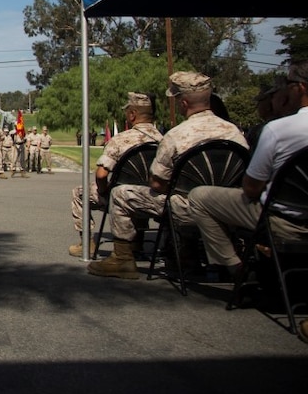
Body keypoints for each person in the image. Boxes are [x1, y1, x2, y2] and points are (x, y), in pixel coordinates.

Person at [88, 71, 248, 280]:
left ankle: (123, 259)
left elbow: (157, 182)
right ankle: (184, 257)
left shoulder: (176, 135)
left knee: (120, 193)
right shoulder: (235, 133)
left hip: (186, 208)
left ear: (183, 103)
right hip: (228, 210)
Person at [188, 62, 308, 280]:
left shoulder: (278, 130)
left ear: (300, 88)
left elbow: (252, 188)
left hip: (285, 220)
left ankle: (237, 269)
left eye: (288, 84)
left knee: (199, 197)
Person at [68, 92, 163, 257]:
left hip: (123, 197)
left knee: (79, 193)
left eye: (127, 112)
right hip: (155, 198)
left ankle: (87, 243)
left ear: (132, 114)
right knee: (142, 184)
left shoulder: (121, 140)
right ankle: (136, 242)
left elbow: (101, 174)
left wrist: (104, 191)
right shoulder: (164, 139)